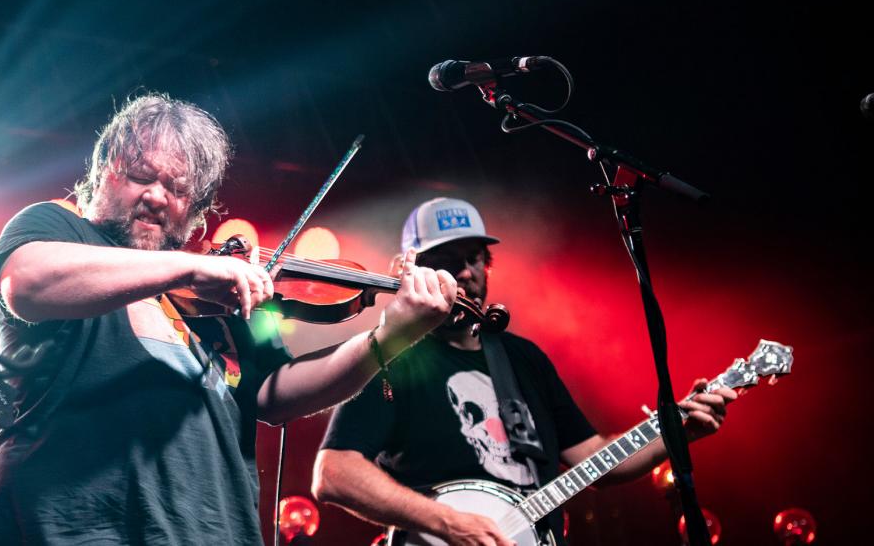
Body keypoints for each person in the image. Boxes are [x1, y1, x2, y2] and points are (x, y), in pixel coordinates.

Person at [0, 94, 461, 545]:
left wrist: (388, 338)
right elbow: (27, 282)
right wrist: (193, 265)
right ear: (104, 171)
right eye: (141, 175)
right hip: (81, 526)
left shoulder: (213, 299)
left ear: (197, 211)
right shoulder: (57, 229)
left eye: (177, 189)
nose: (156, 196)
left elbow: (276, 395)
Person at [311, 197, 738, 546]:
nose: (464, 271)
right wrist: (446, 523)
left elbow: (594, 459)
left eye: (474, 258)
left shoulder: (522, 358)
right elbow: (333, 473)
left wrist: (675, 432)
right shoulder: (391, 357)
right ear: (414, 270)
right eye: (446, 259)